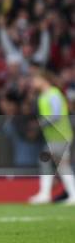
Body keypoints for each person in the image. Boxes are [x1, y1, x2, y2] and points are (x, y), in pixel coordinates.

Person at [28, 70, 75, 205]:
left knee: (49, 162)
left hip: (60, 134)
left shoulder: (53, 94)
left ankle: (45, 194)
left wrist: (41, 123)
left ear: (43, 79)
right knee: (61, 166)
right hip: (54, 136)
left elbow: (56, 115)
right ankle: (68, 194)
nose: (33, 83)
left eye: (35, 80)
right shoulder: (43, 96)